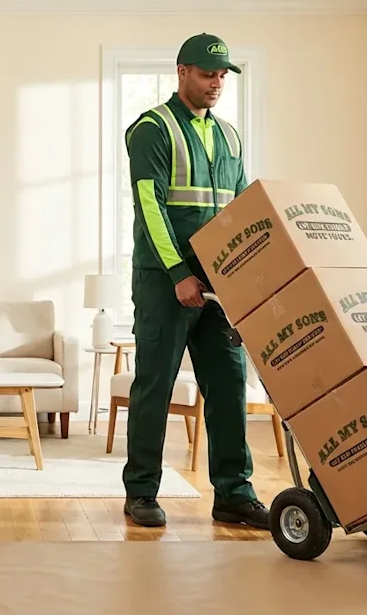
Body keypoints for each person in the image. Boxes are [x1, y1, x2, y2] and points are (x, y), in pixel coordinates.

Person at [120, 33, 269, 531]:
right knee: (155, 387)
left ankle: (233, 494)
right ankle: (141, 490)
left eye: (224, 75)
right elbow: (150, 207)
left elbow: (243, 211)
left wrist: (245, 280)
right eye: (208, 74)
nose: (217, 83)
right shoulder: (151, 129)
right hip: (166, 283)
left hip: (221, 285)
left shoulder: (229, 136)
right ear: (182, 71)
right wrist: (179, 273)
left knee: (228, 385)